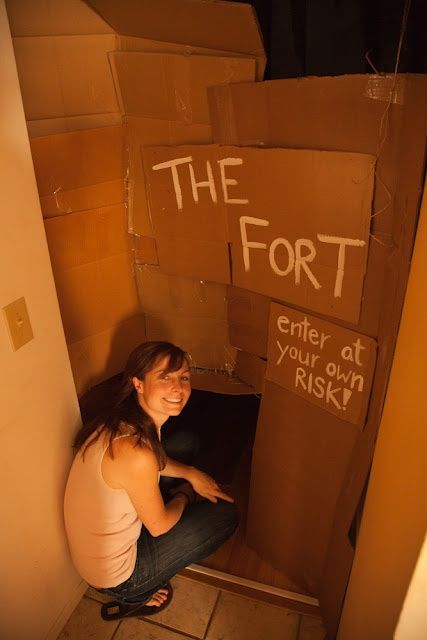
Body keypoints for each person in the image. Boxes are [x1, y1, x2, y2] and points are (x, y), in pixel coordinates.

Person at [64, 341, 238, 620]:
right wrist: (186, 493)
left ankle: (164, 497)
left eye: (183, 377)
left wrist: (191, 473)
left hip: (101, 545)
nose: (179, 388)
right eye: (165, 376)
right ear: (139, 383)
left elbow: (149, 460)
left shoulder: (121, 419)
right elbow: (159, 526)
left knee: (186, 442)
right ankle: (136, 594)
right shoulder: (135, 452)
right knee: (225, 516)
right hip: (118, 576)